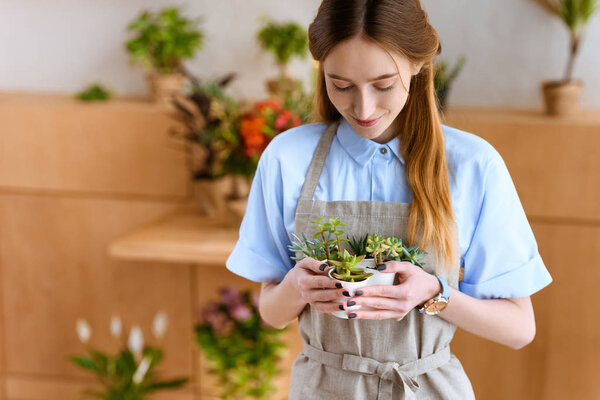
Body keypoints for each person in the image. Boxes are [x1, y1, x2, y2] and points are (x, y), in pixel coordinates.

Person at [226, 0, 553, 398]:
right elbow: (271, 313)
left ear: (417, 66)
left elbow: (520, 329)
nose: (362, 108)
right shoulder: (287, 158)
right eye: (341, 85)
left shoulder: (473, 166)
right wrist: (297, 286)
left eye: (383, 84)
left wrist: (435, 294)